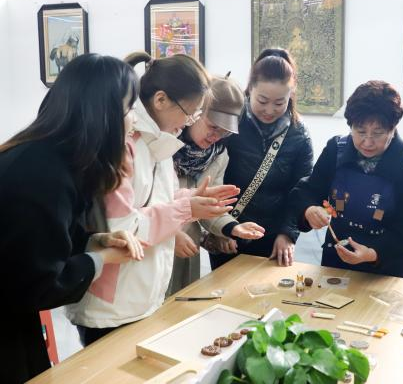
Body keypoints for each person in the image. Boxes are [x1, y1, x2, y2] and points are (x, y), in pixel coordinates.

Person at [65, 52, 239, 346]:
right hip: (111, 304)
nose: (188, 123)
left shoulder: (158, 142)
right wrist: (185, 208)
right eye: (190, 113)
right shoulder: (125, 144)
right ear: (160, 100)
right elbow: (122, 230)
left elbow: (156, 201)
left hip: (138, 295)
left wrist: (192, 198)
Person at [0, 54, 144, 383]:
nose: (134, 120)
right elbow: (39, 282)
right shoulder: (42, 174)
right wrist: (103, 258)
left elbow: (45, 238)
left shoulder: (50, 157)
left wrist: (96, 240)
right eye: (129, 109)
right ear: (103, 116)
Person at [291, 80, 403, 279]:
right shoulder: (336, 150)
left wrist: (372, 253)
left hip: (388, 268)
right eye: (360, 131)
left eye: (378, 133)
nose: (368, 142)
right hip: (338, 262)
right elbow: (308, 191)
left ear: (393, 128)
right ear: (350, 126)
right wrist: (309, 209)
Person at [210, 48, 314, 269]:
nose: (269, 110)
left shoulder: (299, 134)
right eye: (263, 100)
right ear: (250, 89)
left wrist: (288, 233)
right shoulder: (231, 123)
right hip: (230, 232)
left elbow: (302, 189)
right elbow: (211, 178)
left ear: (291, 95)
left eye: (279, 103)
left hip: (273, 237)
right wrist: (220, 227)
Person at [168, 73, 265, 295]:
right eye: (213, 126)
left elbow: (210, 205)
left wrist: (232, 227)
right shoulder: (165, 144)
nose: (216, 136)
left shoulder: (219, 155)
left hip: (187, 247)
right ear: (195, 113)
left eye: (224, 132)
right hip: (154, 244)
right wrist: (169, 234)